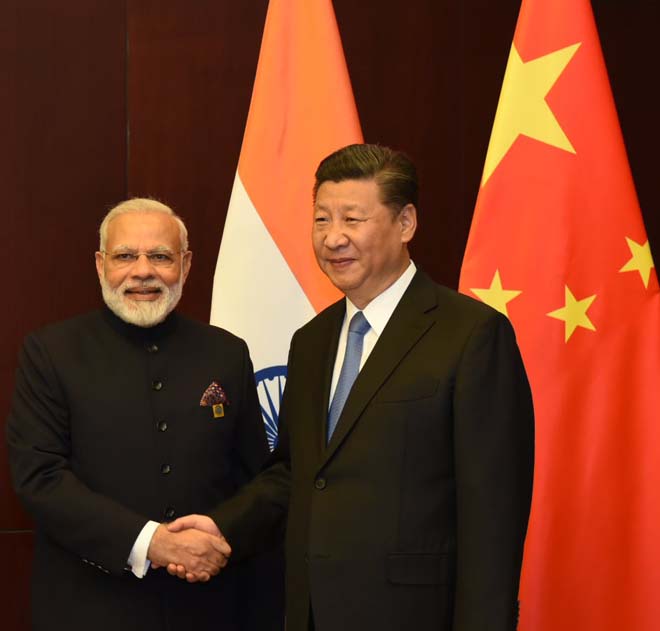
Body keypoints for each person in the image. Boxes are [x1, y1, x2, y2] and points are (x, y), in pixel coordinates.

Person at [168, 144, 535, 631]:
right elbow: (297, 473)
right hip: (311, 612)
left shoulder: (470, 335)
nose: (333, 238)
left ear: (405, 224)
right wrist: (223, 525)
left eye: (352, 219)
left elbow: (493, 510)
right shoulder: (312, 341)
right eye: (322, 220)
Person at [6, 198, 283, 631]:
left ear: (186, 265)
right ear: (100, 265)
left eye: (160, 256)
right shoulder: (50, 353)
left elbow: (259, 475)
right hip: (89, 608)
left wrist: (215, 532)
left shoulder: (227, 354)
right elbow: (39, 478)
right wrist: (152, 543)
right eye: (124, 256)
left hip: (210, 608)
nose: (142, 272)